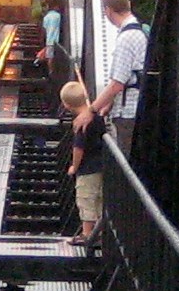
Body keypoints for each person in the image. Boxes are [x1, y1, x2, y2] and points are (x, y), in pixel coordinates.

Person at [73, 0, 148, 157]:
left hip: (129, 113)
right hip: (137, 108)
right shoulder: (139, 30)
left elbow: (117, 84)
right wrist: (109, 104)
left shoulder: (127, 37)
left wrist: (90, 111)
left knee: (126, 163)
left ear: (107, 10)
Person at [60, 81, 105, 245]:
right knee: (99, 200)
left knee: (85, 200)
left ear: (66, 105)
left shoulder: (81, 123)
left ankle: (87, 234)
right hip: (102, 167)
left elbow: (78, 149)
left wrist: (74, 166)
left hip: (87, 170)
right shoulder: (98, 118)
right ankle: (100, 234)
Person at [36, 0, 61, 74]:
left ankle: (50, 72)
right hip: (56, 41)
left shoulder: (46, 17)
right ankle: (51, 73)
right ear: (55, 7)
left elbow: (44, 30)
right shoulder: (58, 16)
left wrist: (42, 40)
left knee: (49, 58)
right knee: (52, 58)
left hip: (49, 41)